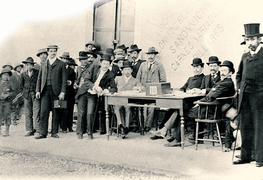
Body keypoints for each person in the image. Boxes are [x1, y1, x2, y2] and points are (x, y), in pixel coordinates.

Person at [153, 60, 236, 147]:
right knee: (181, 108)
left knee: (180, 110)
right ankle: (170, 134)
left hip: (212, 111)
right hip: (212, 109)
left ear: (230, 73)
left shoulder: (226, 83)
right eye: (221, 70)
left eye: (225, 71)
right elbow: (211, 92)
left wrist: (199, 102)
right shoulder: (223, 82)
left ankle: (175, 138)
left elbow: (210, 96)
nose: (222, 73)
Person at [150, 58, 204, 141]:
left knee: (177, 110)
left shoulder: (204, 78)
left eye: (197, 67)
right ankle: (164, 131)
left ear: (202, 68)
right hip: (186, 101)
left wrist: (193, 92)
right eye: (194, 67)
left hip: (194, 103)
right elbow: (183, 88)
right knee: (173, 108)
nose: (195, 69)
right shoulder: (190, 79)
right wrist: (182, 91)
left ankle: (165, 131)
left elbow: (202, 92)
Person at [234, 23, 263, 167]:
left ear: (259, 39)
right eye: (247, 40)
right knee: (245, 126)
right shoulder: (244, 56)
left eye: (252, 39)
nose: (250, 42)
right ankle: (245, 156)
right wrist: (239, 88)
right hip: (244, 97)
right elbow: (238, 75)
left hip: (259, 97)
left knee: (259, 128)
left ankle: (260, 158)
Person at [35, 45, 67, 139]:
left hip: (56, 92)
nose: (53, 52)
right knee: (43, 112)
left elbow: (64, 79)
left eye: (54, 51)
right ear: (48, 52)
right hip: (45, 91)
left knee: (56, 112)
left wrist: (62, 92)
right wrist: (38, 90)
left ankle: (54, 132)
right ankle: (42, 133)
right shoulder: (44, 63)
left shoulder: (61, 64)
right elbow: (39, 78)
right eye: (51, 51)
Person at [85, 54, 117, 136]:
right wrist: (95, 87)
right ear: (101, 63)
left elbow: (114, 88)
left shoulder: (110, 74)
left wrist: (106, 90)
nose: (105, 66)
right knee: (89, 112)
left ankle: (98, 131)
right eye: (104, 63)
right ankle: (89, 132)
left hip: (100, 95)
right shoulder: (94, 68)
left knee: (97, 111)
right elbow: (87, 80)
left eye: (107, 64)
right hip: (89, 91)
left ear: (109, 64)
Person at [136, 47, 166, 132]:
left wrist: (157, 89)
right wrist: (140, 87)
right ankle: (140, 126)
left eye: (152, 54)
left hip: (154, 93)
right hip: (143, 92)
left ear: (155, 55)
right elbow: (137, 79)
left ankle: (147, 126)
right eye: (149, 54)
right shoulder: (143, 65)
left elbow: (163, 80)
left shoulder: (159, 65)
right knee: (140, 106)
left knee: (151, 107)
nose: (150, 56)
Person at [114, 61, 145, 138]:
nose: (127, 71)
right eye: (125, 70)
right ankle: (121, 126)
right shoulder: (118, 79)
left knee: (128, 107)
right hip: (119, 100)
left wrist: (138, 88)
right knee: (117, 107)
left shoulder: (135, 80)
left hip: (129, 101)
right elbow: (112, 87)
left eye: (128, 69)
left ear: (131, 70)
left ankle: (127, 127)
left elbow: (143, 88)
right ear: (122, 71)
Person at [75, 51, 97, 139]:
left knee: (90, 113)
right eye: (82, 59)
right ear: (80, 60)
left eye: (85, 59)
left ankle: (90, 133)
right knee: (81, 113)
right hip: (81, 92)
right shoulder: (78, 68)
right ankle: (80, 132)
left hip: (91, 92)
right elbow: (77, 79)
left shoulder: (93, 67)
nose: (84, 61)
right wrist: (75, 84)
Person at [20, 57, 39, 137]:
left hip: (35, 94)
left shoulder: (37, 72)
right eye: (27, 65)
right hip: (27, 95)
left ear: (33, 65)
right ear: (25, 66)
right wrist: (23, 93)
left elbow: (39, 82)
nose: (29, 66)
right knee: (28, 113)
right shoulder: (23, 74)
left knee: (36, 111)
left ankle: (37, 130)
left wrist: (38, 92)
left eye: (31, 65)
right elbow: (21, 85)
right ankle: (29, 130)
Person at [59, 52, 76, 133]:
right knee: (61, 110)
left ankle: (70, 126)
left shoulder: (71, 70)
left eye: (66, 59)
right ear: (61, 59)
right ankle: (62, 127)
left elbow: (73, 80)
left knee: (70, 110)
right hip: (60, 93)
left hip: (70, 93)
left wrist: (70, 82)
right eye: (63, 59)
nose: (65, 61)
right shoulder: (58, 69)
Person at [0, 67, 15, 137]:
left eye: (7, 75)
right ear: (1, 75)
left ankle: (7, 129)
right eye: (4, 74)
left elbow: (14, 92)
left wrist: (8, 95)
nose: (6, 76)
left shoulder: (10, 83)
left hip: (7, 102)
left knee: (7, 115)